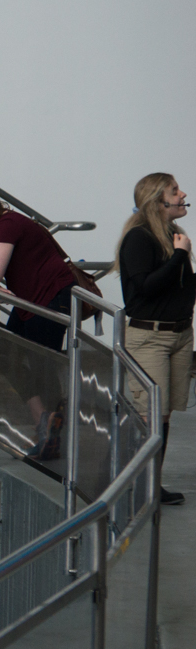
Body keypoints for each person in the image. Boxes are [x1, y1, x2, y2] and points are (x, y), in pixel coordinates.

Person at [0, 175, 78, 460]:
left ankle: (51, 434)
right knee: (6, 354)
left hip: (51, 296)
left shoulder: (8, 224)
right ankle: (44, 421)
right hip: (27, 301)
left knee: (41, 361)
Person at [117, 172, 193, 506]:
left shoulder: (173, 235)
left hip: (179, 335)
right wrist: (179, 256)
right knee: (151, 414)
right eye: (175, 191)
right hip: (150, 338)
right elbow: (145, 288)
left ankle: (151, 485)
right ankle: (139, 486)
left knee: (163, 416)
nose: (183, 195)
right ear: (157, 201)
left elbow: (179, 288)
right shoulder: (139, 237)